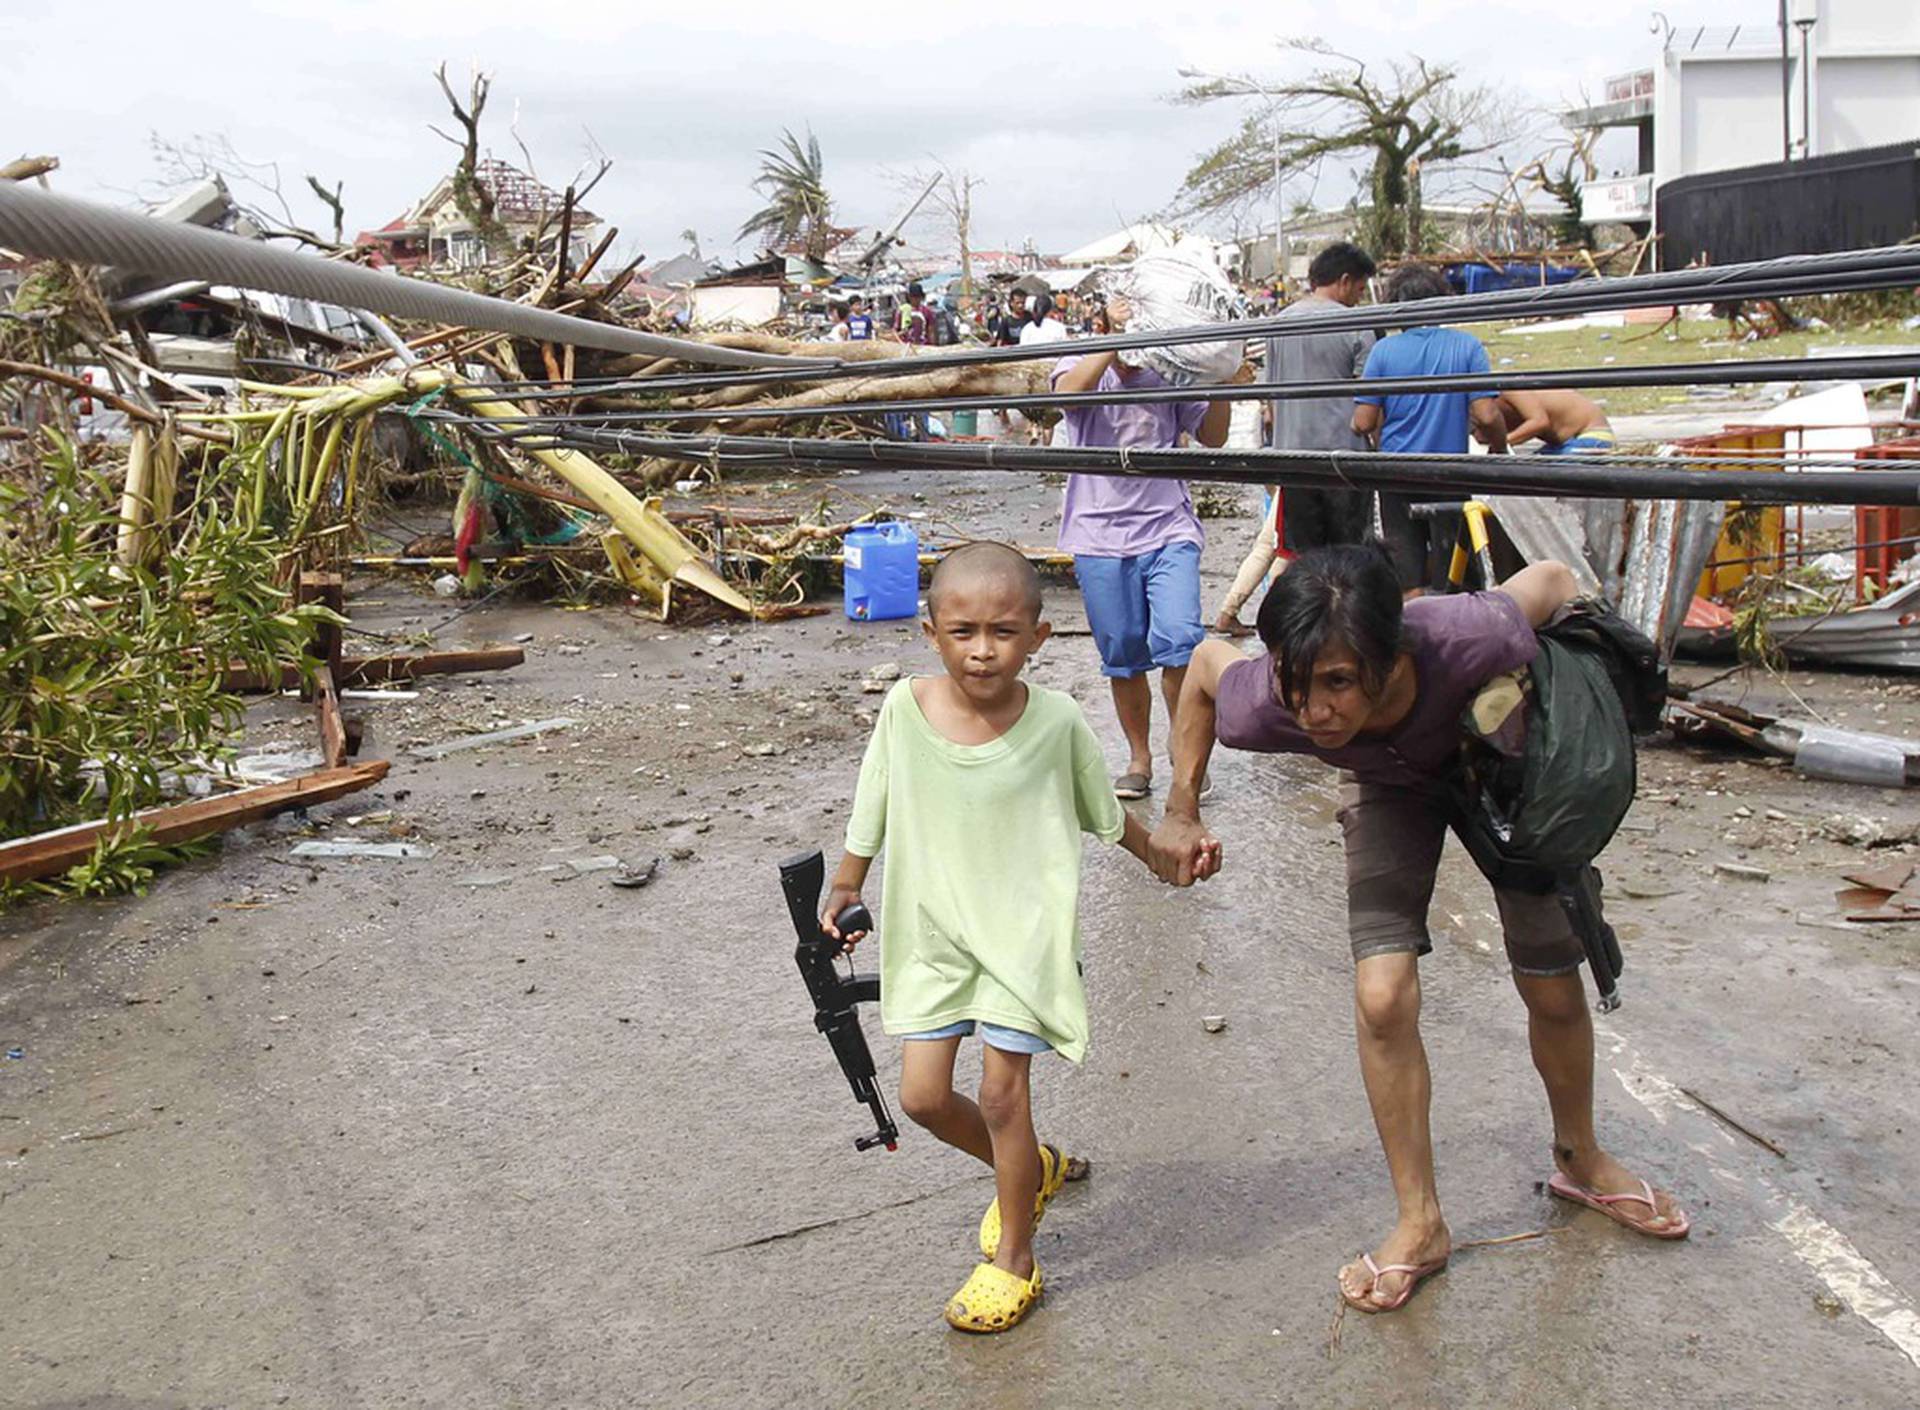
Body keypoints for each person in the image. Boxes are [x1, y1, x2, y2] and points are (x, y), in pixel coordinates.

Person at [1147, 542, 1691, 1315]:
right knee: (1382, 996)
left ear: (1394, 650)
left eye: (1338, 683)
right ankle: (1421, 1222)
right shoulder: (1263, 701)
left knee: (1551, 982)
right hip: (1389, 788)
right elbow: (1204, 666)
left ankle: (1581, 1155)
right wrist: (1181, 806)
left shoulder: (1471, 634)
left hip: (1496, 765)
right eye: (1297, 685)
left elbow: (1555, 580)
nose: (1315, 712)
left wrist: (1565, 698)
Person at [821, 542, 1154, 1333]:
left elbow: (1104, 815)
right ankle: (1030, 1170)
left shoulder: (1058, 722)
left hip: (1022, 941)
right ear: (931, 631)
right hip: (932, 937)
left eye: (1003, 632)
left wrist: (1164, 857)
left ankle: (1017, 1258)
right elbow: (875, 802)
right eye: (963, 630)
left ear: (1038, 638)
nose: (982, 650)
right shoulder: (904, 709)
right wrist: (845, 881)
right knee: (924, 1097)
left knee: (1005, 1097)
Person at [1053, 296, 1232, 798]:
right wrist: (1115, 339)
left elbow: (1213, 437)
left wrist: (1220, 375)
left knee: (1180, 640)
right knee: (1124, 655)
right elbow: (1068, 396)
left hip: (1168, 526)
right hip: (1098, 533)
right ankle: (1139, 756)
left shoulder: (1170, 370)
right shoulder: (1081, 360)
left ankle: (1184, 747)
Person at [1214, 241, 1379, 638]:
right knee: (1347, 561)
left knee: (1302, 558)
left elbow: (1269, 396)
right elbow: (1369, 401)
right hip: (1344, 463)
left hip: (1293, 461)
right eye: (1358, 289)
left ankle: (1300, 633)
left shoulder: (1279, 324)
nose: (1358, 298)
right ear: (1344, 282)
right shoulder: (1355, 325)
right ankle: (1341, 634)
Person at [1353, 265, 1507, 594]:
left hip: (1397, 474)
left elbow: (1364, 421)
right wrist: (1498, 446)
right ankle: (1452, 637)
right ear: (1441, 302)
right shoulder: (1467, 347)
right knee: (1455, 573)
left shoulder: (1383, 351)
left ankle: (1414, 639)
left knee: (1408, 579)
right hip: (1449, 473)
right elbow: (1487, 414)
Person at [1486, 388, 1615, 455]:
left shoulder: (1508, 389)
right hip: (1561, 445)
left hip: (1591, 436)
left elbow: (1539, 422)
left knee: (1537, 476)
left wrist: (1502, 443)